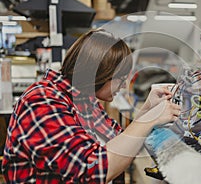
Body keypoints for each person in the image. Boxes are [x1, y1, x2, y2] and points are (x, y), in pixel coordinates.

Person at [2, 28, 181, 183]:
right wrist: (148, 121)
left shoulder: (84, 100)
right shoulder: (42, 102)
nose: (123, 85)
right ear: (100, 72)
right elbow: (94, 170)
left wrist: (147, 110)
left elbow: (119, 141)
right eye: (120, 77)